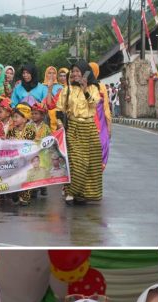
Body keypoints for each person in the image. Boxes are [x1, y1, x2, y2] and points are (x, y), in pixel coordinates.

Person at [48, 59, 103, 204]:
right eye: (73, 71)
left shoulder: (94, 88)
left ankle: (83, 194)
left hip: (89, 128)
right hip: (73, 128)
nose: (75, 74)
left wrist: (85, 90)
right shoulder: (67, 90)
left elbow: (94, 104)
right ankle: (71, 192)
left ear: (85, 72)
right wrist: (60, 124)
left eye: (78, 71)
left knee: (91, 163)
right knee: (77, 162)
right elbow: (59, 110)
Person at [89, 62, 113, 170]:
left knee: (103, 144)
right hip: (86, 120)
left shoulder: (102, 87)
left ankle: (97, 173)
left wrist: (109, 127)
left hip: (101, 120)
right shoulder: (82, 86)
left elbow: (106, 107)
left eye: (92, 70)